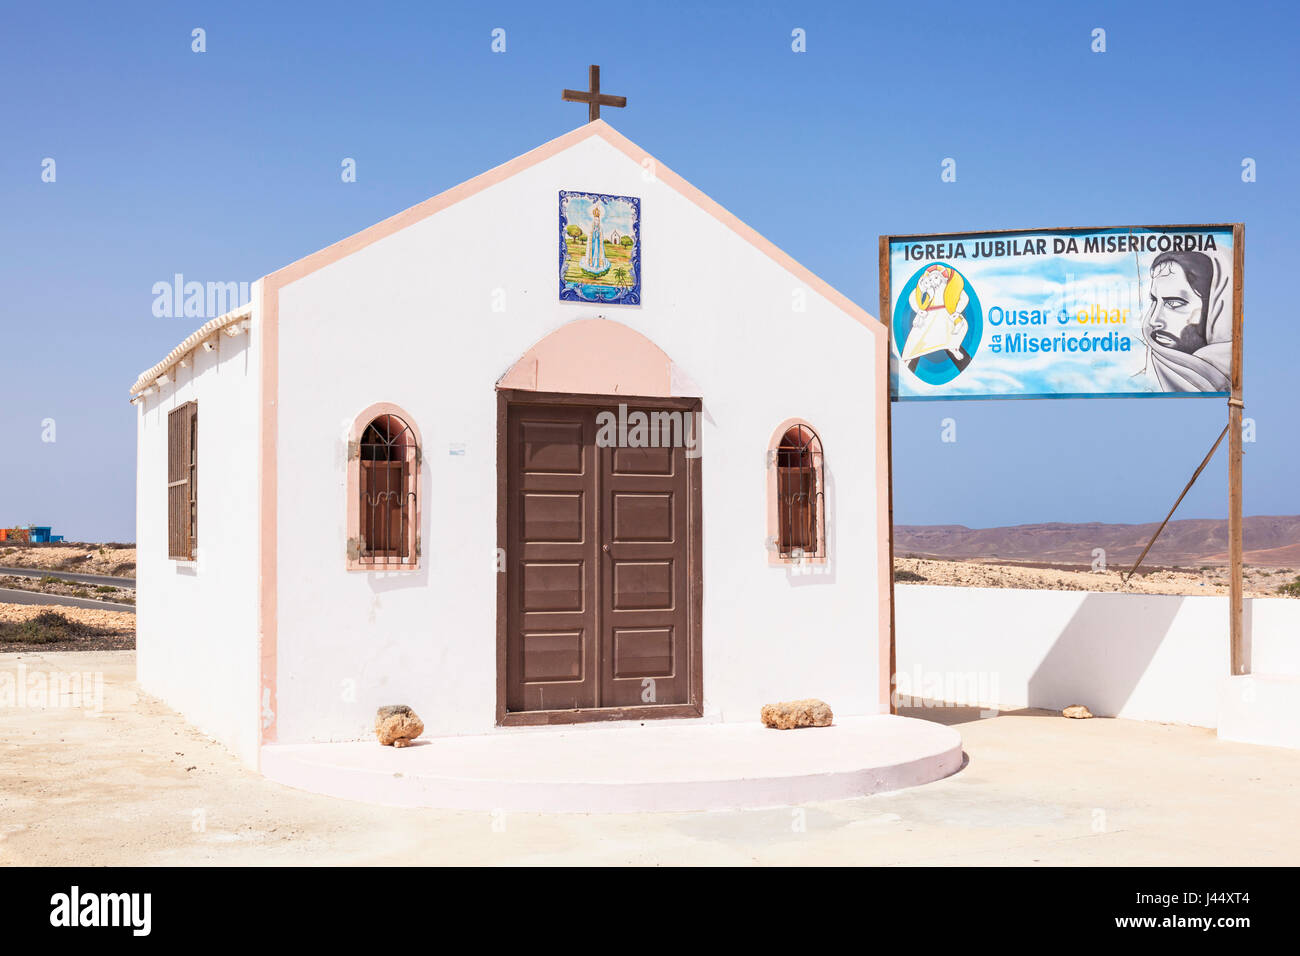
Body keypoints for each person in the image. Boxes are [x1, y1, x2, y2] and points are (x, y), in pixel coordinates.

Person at [1140, 249, 1232, 391]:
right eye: (1154, 301)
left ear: (1213, 308)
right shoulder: (1143, 383)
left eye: (1174, 303)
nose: (1154, 320)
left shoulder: (1237, 374)